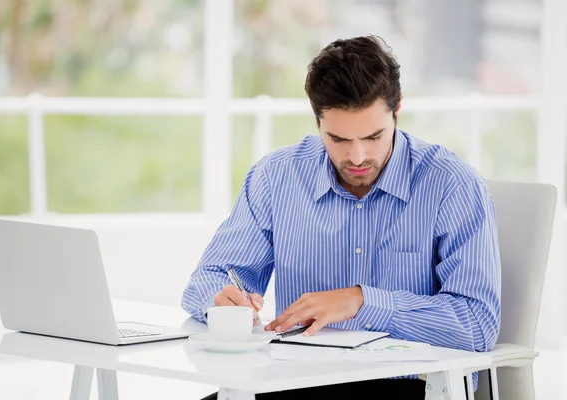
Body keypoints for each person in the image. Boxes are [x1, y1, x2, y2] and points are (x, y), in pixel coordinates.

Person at [181, 35, 501, 400]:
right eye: (338, 139)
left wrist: (363, 302)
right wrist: (222, 301)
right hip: (295, 380)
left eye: (374, 136)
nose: (359, 156)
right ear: (317, 121)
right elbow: (207, 279)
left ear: (397, 110)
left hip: (412, 386)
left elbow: (477, 325)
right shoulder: (276, 177)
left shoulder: (452, 185)